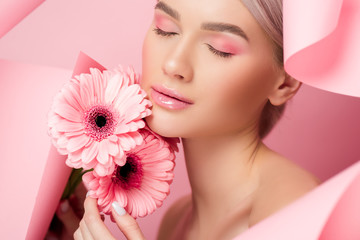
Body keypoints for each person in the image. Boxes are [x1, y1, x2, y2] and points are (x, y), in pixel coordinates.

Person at [52, 0, 321, 239]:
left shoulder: (295, 208)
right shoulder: (177, 218)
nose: (173, 64)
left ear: (284, 82)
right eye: (165, 29)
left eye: (220, 49)